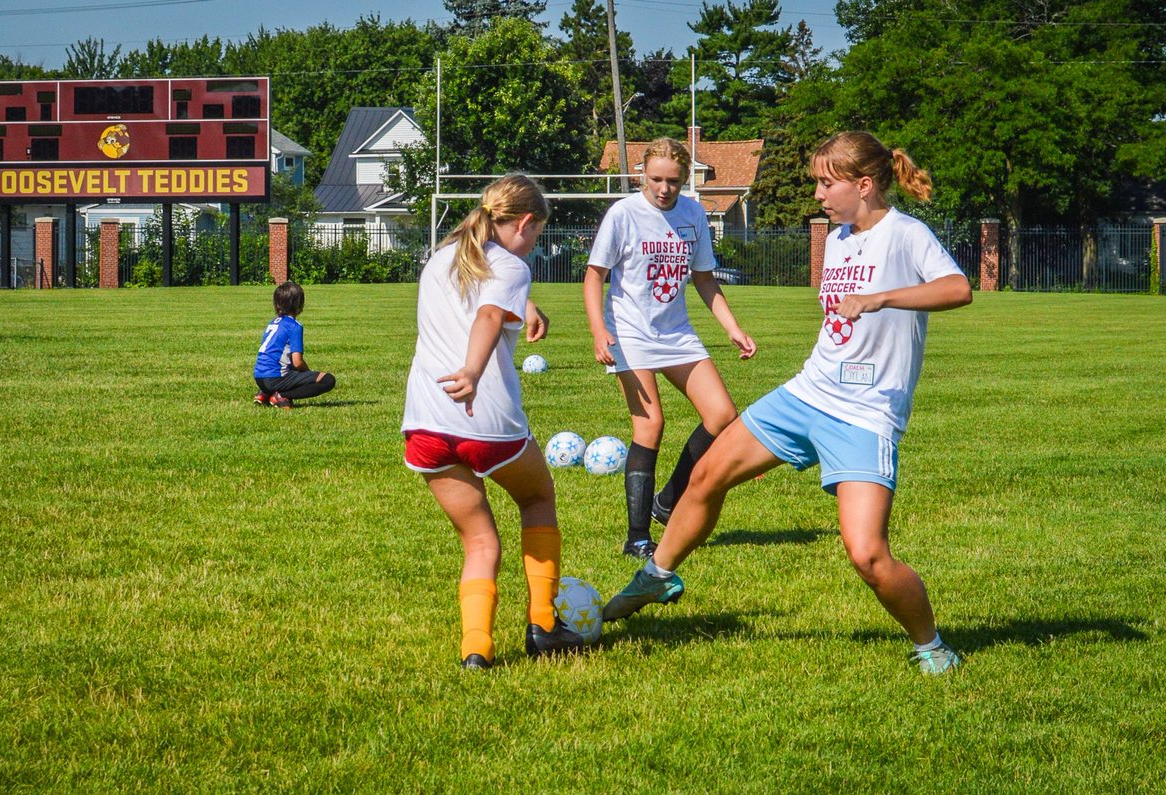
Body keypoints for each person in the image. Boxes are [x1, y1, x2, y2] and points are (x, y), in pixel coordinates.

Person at [603, 131, 973, 675]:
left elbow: (958, 288)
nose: (818, 194)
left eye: (827, 183)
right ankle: (658, 574)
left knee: (867, 554)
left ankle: (931, 645)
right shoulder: (842, 237)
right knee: (707, 475)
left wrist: (880, 297)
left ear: (864, 185)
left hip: (866, 413)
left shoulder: (906, 235)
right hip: (808, 392)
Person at [401, 174, 585, 670]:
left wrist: (524, 307)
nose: (534, 245)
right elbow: (485, 315)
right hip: (484, 421)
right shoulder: (512, 264)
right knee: (537, 496)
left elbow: (478, 295)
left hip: (424, 423)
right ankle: (543, 625)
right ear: (524, 222)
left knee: (479, 540)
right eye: (537, 234)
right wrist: (474, 372)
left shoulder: (443, 256)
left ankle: (476, 650)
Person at [584, 137, 756, 560]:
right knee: (651, 425)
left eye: (674, 181)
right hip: (629, 333)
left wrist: (732, 327)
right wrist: (597, 331)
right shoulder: (623, 214)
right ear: (642, 173)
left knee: (722, 416)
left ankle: (668, 500)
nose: (665, 189)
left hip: (676, 333)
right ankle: (638, 538)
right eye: (657, 179)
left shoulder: (694, 213)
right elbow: (594, 276)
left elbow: (703, 278)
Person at [253, 281, 336, 409]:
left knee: (288, 367)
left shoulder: (273, 322)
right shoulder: (294, 326)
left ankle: (264, 393)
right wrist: (308, 375)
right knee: (328, 380)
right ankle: (281, 396)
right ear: (299, 304)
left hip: (259, 377)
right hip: (275, 378)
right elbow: (297, 362)